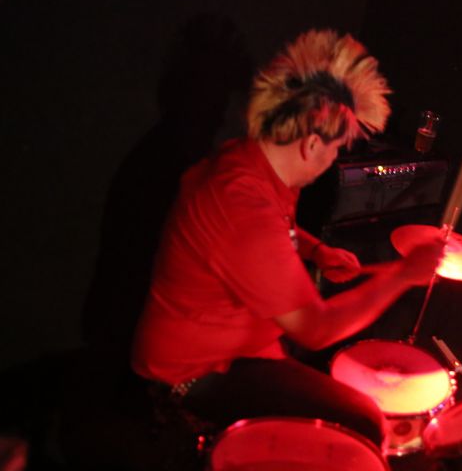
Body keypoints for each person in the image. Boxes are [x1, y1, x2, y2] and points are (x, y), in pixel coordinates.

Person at [131, 30, 444, 445]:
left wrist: (317, 250)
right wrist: (402, 274)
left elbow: (274, 228)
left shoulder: (252, 161)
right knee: (362, 423)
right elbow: (315, 328)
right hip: (192, 375)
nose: (335, 158)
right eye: (336, 149)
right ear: (312, 143)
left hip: (237, 348)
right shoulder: (242, 207)